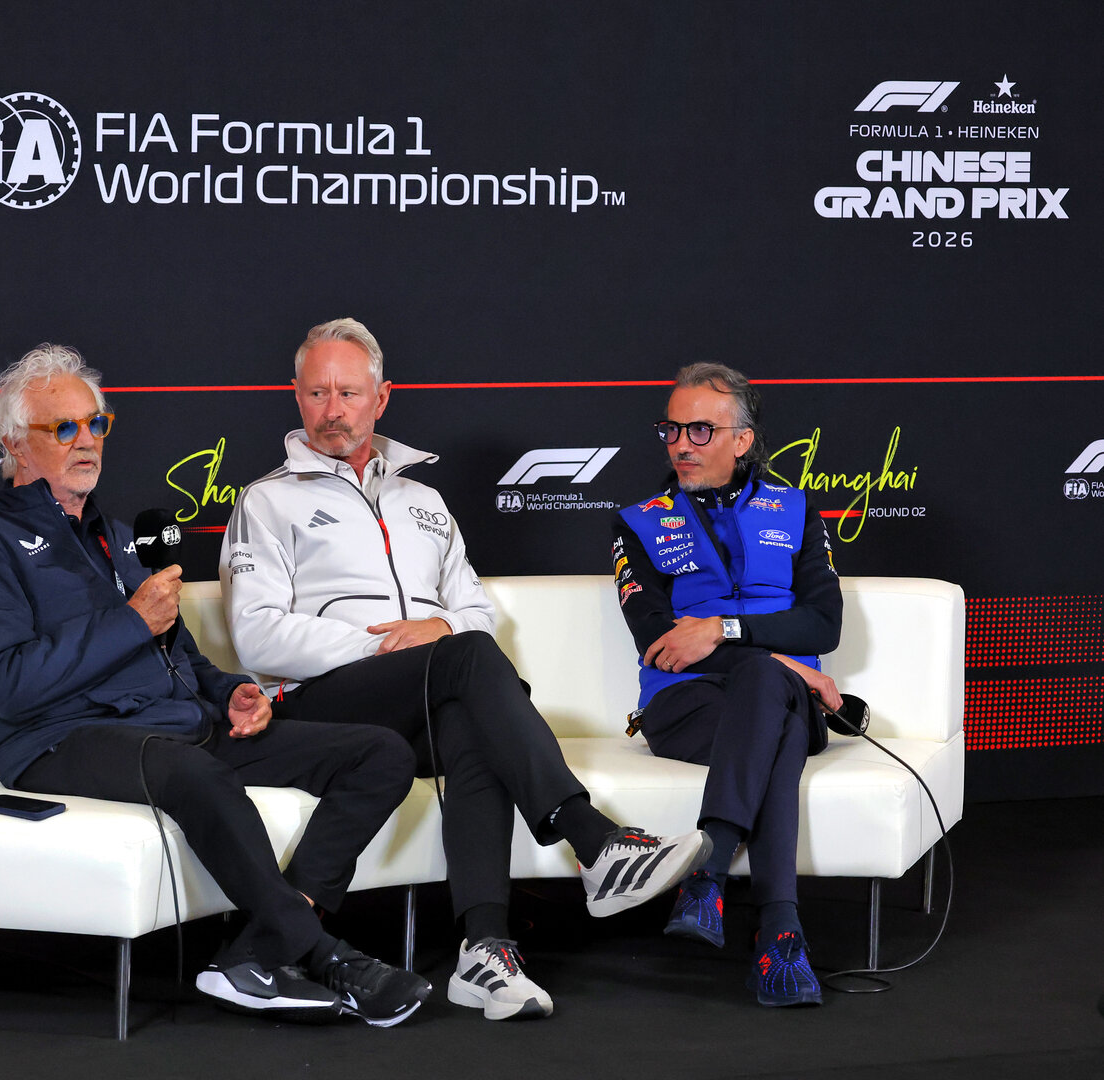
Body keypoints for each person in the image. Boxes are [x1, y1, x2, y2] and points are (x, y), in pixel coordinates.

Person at [0, 343, 433, 1027]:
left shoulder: (116, 537)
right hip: (57, 740)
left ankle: (253, 954)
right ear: (17, 443)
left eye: (95, 424)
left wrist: (229, 694)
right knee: (194, 773)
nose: (86, 442)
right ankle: (329, 958)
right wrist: (130, 623)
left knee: (380, 753)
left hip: (175, 725)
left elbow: (180, 654)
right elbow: (7, 686)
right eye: (64, 428)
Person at [220, 318, 711, 1022]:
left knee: (470, 716)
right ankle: (594, 842)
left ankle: (484, 951)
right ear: (295, 399)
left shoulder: (425, 503)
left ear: (381, 399)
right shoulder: (267, 502)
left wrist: (441, 632)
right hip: (321, 707)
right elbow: (257, 636)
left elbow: (475, 614)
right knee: (468, 667)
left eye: (349, 393)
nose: (334, 410)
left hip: (423, 700)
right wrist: (394, 646)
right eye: (317, 393)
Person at [612, 362, 844, 1007]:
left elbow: (823, 621)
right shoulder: (637, 520)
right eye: (671, 430)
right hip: (682, 706)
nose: (681, 445)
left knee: (770, 697)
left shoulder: (795, 509)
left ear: (742, 439)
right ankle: (779, 935)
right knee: (778, 711)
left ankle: (708, 870)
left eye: (700, 431)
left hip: (768, 695)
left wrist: (723, 630)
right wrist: (790, 663)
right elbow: (660, 644)